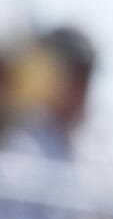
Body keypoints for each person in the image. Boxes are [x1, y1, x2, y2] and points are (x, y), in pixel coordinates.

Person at [8, 26, 98, 162]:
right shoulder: (21, 147)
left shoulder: (93, 150)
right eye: (73, 76)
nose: (80, 88)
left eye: (84, 77)